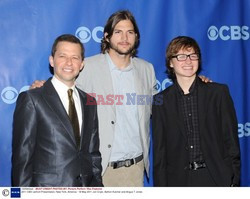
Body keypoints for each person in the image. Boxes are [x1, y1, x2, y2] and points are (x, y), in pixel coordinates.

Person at [30, 11, 211, 187]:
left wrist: (193, 84)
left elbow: (161, 106)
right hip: (99, 170)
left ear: (136, 37)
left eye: (130, 32)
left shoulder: (146, 69)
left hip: (136, 169)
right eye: (118, 32)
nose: (124, 37)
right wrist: (45, 88)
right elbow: (65, 87)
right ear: (107, 37)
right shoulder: (88, 67)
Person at [12, 34, 103, 187]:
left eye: (75, 57)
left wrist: (98, 187)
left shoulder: (90, 102)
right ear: (52, 60)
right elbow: (23, 158)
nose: (69, 62)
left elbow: (93, 154)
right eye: (62, 56)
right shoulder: (33, 99)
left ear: (82, 64)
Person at [152, 36, 241, 187]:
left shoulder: (218, 93)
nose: (188, 61)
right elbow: (160, 153)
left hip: (216, 178)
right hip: (178, 181)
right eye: (181, 56)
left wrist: (234, 179)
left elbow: (231, 141)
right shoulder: (160, 101)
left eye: (193, 56)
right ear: (170, 63)